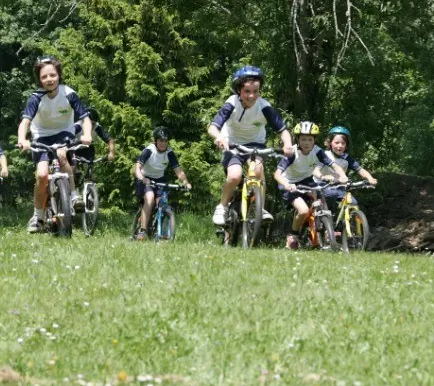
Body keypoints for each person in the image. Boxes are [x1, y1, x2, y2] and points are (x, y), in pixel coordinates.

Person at [208, 65, 293, 226]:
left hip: (255, 144)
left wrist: (288, 143)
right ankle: (222, 206)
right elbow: (212, 127)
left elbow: (283, 130)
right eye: (247, 91)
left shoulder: (264, 106)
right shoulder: (231, 103)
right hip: (232, 143)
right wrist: (219, 137)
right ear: (239, 90)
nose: (252, 96)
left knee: (258, 169)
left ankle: (259, 208)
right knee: (234, 175)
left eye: (256, 91)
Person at [17, 56, 92, 233]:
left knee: (61, 154)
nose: (49, 79)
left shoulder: (69, 94)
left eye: (52, 75)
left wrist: (87, 134)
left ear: (59, 75)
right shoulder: (36, 97)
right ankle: (38, 216)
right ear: (40, 80)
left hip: (64, 133)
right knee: (42, 175)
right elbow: (25, 122)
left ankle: (73, 197)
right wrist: (22, 139)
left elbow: (85, 119)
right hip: (41, 136)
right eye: (44, 77)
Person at [274, 121, 348, 250]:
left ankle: (324, 232)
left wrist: (343, 177)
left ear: (314, 140)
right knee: (303, 210)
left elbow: (334, 165)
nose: (306, 142)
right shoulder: (292, 153)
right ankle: (293, 236)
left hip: (307, 180)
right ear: (297, 139)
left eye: (309, 139)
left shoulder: (317, 151)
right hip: (289, 183)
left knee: (320, 200)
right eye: (303, 139)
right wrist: (286, 184)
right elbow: (277, 174)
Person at [133, 126, 192, 240]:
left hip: (160, 180)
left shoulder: (169, 152)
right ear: (155, 141)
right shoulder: (149, 150)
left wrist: (185, 182)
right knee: (150, 198)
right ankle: (143, 231)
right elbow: (137, 168)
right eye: (160, 140)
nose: (163, 143)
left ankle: (163, 232)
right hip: (145, 178)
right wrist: (143, 178)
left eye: (165, 141)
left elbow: (178, 171)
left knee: (163, 203)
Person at [314, 126, 377, 211]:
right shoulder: (325, 156)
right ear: (330, 143)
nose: (340, 146)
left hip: (339, 187)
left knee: (353, 203)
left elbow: (360, 170)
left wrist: (370, 178)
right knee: (330, 200)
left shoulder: (347, 158)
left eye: (343, 143)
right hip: (322, 186)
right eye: (337, 143)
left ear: (346, 145)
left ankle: (350, 222)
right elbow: (315, 171)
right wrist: (324, 177)